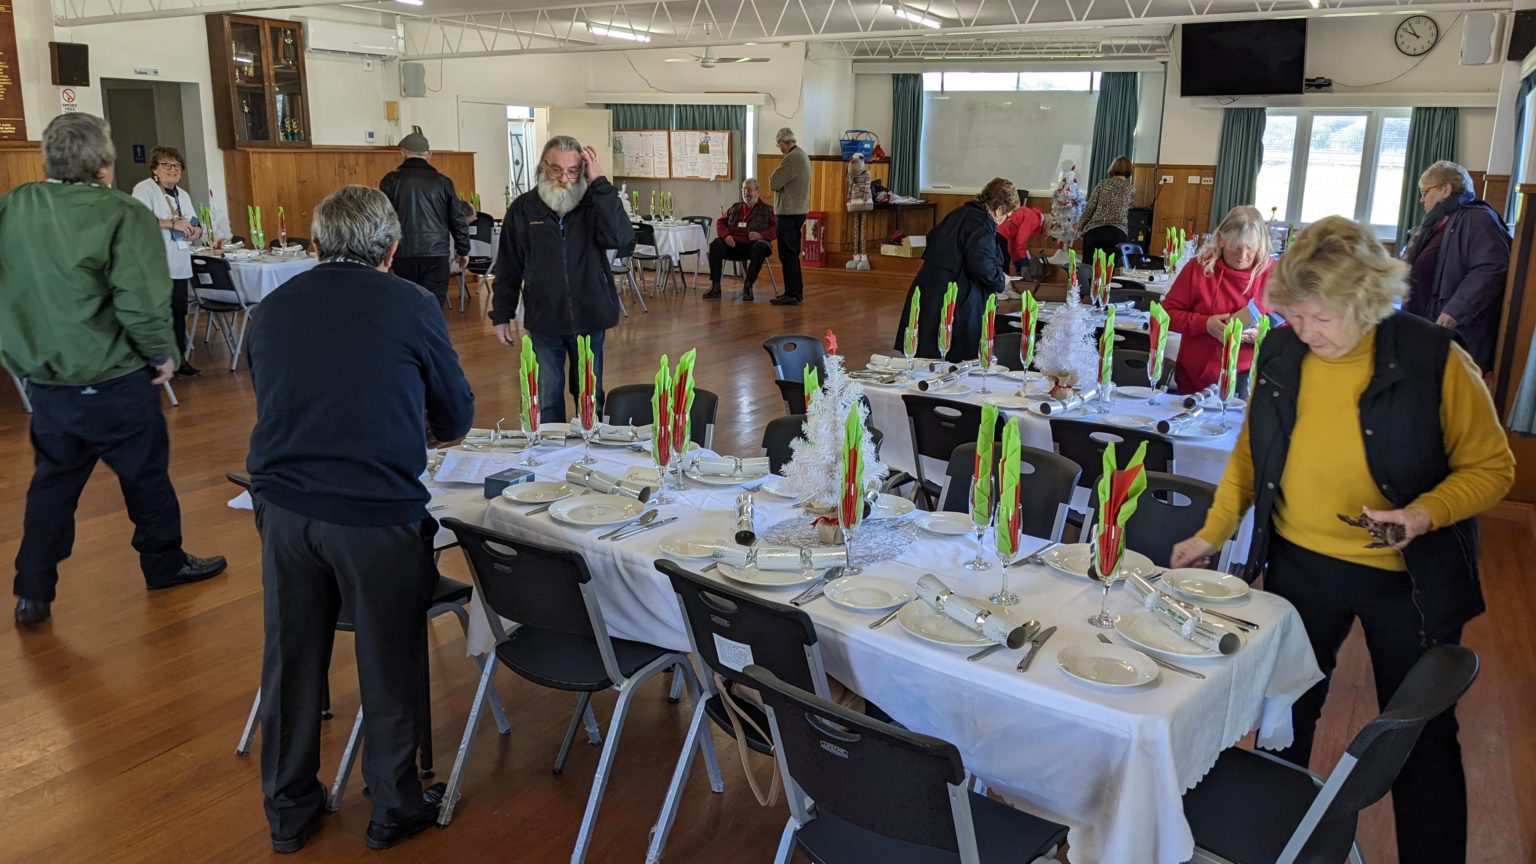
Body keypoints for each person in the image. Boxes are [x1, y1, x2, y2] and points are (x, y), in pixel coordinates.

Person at [1170, 216, 1514, 864]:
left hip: (1408, 580)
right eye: (1294, 315)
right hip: (1301, 566)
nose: (1305, 331)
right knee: (1287, 716)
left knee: (1422, 740)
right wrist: (1212, 533)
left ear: (1366, 301)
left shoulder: (1434, 358)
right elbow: (1251, 454)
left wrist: (1424, 514)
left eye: (1320, 318)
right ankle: (1279, 846)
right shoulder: (1281, 351)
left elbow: (1494, 468)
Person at [246, 185, 475, 853]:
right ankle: (394, 805)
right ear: (392, 249)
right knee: (387, 655)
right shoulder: (411, 303)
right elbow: (455, 415)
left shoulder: (273, 305)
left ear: (316, 245)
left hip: (284, 507)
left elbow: (275, 393)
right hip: (373, 511)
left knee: (291, 659)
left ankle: (288, 810)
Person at [0, 113, 226, 629]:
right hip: (116, 378)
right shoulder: (123, 213)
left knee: (52, 486)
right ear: (105, 162)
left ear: (48, 158)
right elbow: (140, 299)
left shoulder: (17, 205)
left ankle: (32, 590)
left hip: (50, 382)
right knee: (146, 477)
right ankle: (163, 565)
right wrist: (163, 354)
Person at [491, 135, 634, 422]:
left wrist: (600, 183)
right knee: (547, 398)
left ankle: (589, 446)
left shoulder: (594, 203)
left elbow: (620, 238)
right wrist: (501, 314)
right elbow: (508, 266)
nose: (564, 179)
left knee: (590, 397)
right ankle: (549, 451)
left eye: (572, 171)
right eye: (556, 170)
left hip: (590, 316)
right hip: (545, 318)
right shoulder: (523, 209)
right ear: (543, 167)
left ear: (582, 171)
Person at [1402, 159, 1511, 371]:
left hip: (1454, 332)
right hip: (1427, 327)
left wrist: (1454, 311)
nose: (1421, 199)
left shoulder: (1477, 218)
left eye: (1425, 192)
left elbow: (1490, 269)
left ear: (1446, 189)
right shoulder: (1440, 222)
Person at [893, 178, 1018, 362]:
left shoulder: (960, 212)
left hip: (931, 286)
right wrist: (1000, 279)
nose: (1005, 220)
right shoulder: (981, 222)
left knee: (928, 350)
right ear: (999, 209)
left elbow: (933, 237)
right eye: (1007, 215)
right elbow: (981, 264)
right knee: (951, 351)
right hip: (955, 295)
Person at [1160, 205, 1275, 393]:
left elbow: (1291, 327)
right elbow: (1165, 315)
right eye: (1235, 247)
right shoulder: (1199, 268)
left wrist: (1263, 334)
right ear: (1221, 239)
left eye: (1250, 248)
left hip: (1252, 381)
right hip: (1197, 378)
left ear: (1260, 243)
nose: (1242, 256)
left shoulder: (1273, 274)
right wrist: (1205, 324)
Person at [131, 147, 204, 376]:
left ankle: (179, 359)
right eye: (166, 165)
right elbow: (139, 220)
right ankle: (156, 362)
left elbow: (194, 222)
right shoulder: (145, 189)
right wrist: (172, 224)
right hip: (155, 265)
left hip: (179, 262)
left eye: (177, 166)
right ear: (155, 169)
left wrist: (197, 231)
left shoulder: (183, 195)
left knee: (178, 314)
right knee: (159, 315)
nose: (173, 170)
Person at [379, 131, 469, 306]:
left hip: (402, 253)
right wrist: (463, 250)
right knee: (433, 305)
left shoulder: (390, 181)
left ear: (403, 153)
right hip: (436, 253)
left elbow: (382, 220)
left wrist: (383, 254)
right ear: (429, 155)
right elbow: (457, 219)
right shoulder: (443, 182)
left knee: (405, 304)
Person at [704, 178, 776, 301]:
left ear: (757, 191)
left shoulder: (767, 210)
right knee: (716, 244)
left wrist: (761, 235)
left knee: (760, 248)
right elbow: (720, 222)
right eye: (744, 190)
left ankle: (748, 285)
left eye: (749, 190)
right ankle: (715, 286)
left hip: (753, 245)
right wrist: (726, 236)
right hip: (733, 244)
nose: (746, 193)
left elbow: (776, 228)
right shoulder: (735, 207)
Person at [768, 127, 811, 306]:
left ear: (783, 141)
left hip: (788, 213)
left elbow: (773, 182)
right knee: (792, 253)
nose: (780, 149)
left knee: (787, 254)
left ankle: (792, 294)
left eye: (779, 145)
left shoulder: (792, 158)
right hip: (798, 212)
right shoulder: (803, 155)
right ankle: (795, 291)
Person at [1079, 155, 1135, 287]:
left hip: (1094, 231)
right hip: (1117, 233)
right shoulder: (1131, 189)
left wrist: (1081, 226)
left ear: (1113, 168)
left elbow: (1090, 207)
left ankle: (1083, 295)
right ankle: (1103, 295)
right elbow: (1128, 209)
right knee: (1107, 271)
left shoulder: (1102, 185)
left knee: (1088, 269)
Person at [997, 187, 1048, 276]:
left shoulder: (1030, 214)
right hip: (1000, 232)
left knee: (1003, 258)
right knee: (1003, 260)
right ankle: (1003, 283)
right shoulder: (1033, 220)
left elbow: (1014, 243)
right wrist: (1023, 261)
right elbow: (1020, 242)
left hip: (997, 230)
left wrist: (1017, 260)